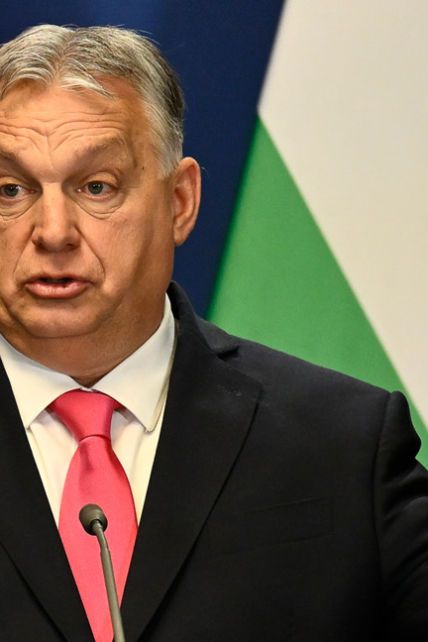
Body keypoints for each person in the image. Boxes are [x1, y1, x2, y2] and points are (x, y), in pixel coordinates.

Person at [0, 23, 426, 642]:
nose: (54, 231)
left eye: (96, 187)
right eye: (11, 190)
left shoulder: (343, 445)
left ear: (179, 201)